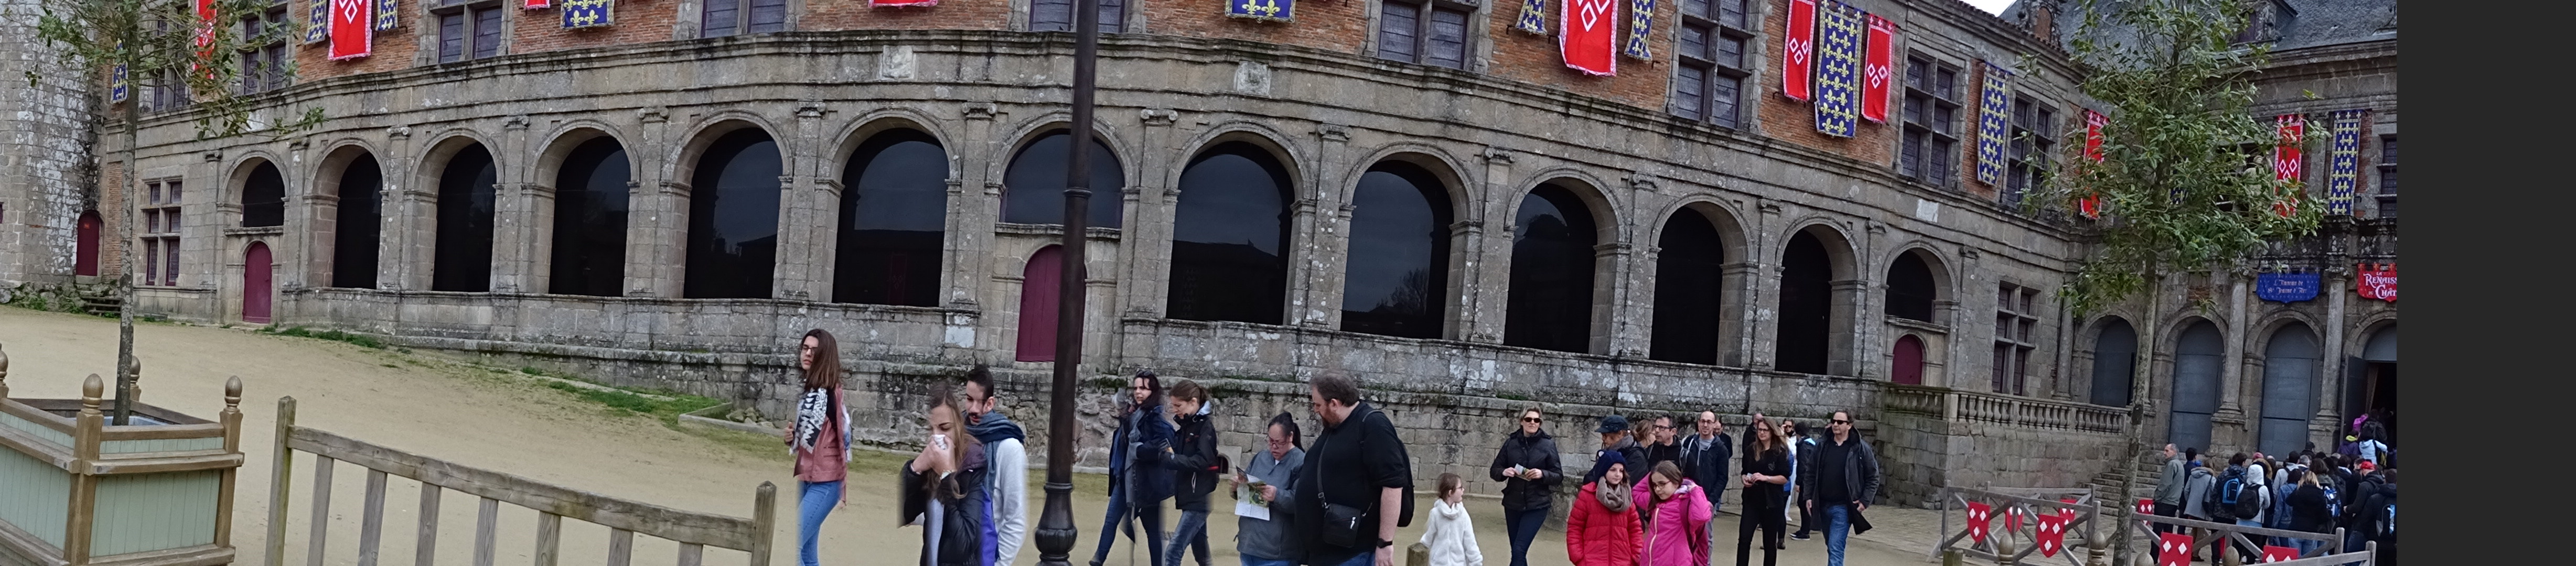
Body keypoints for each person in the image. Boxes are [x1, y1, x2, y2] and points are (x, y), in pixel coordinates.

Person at [1292, 374, 1414, 566]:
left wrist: (1385, 543)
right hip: (1326, 549)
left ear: (1334, 403)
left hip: (1352, 552)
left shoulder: (1373, 425)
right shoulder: (1334, 426)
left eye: (1318, 404)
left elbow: (1393, 485)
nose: (1315, 410)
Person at [900, 384, 995, 566]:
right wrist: (915, 468)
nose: (937, 437)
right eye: (932, 429)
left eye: (944, 428)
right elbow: (907, 515)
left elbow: (962, 546)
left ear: (958, 425)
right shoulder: (930, 464)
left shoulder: (973, 464)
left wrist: (947, 476)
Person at [1091, 372, 1175, 566]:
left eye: (1144, 388)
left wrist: (1141, 450)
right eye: (1136, 388)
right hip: (1124, 480)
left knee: (1152, 532)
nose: (1138, 392)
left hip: (1147, 485)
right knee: (1110, 522)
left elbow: (1166, 442)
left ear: (1153, 392)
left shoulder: (1154, 418)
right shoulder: (1132, 415)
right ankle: (1097, 561)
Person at [785, 330, 852, 566]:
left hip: (827, 482)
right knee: (807, 556)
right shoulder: (810, 393)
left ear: (825, 356)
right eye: (805, 348)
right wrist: (791, 438)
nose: (807, 354)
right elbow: (809, 438)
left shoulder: (832, 395)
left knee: (792, 547)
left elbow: (845, 442)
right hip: (807, 477)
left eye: (814, 350)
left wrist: (843, 489)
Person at [961, 365, 1029, 566]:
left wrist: (998, 564)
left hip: (985, 556)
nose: (973, 409)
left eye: (980, 402)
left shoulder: (1009, 448)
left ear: (990, 403)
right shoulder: (957, 436)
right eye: (969, 399)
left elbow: (1016, 519)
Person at [1800, 411, 1880, 566]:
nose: (1835, 425)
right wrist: (1808, 496)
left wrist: (1865, 501)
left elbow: (1873, 476)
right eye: (1834, 421)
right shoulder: (1822, 445)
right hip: (1822, 504)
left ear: (1849, 425)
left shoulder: (1859, 448)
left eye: (1840, 422)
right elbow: (1811, 472)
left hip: (1843, 507)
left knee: (1836, 547)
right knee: (1831, 545)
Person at [1162, 379, 1226, 566]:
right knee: (1201, 553)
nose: (1174, 410)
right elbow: (1182, 454)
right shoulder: (1186, 425)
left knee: (1173, 553)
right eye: (1173, 405)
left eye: (1178, 406)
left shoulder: (1205, 427)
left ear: (1193, 402)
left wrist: (1172, 460)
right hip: (1190, 495)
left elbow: (1204, 461)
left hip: (1198, 499)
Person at [1488, 407, 1563, 566]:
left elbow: (1558, 476)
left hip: (1537, 505)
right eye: (1529, 419)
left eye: (1537, 420)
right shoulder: (1511, 443)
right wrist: (1504, 472)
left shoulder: (1548, 445)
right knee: (1517, 551)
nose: (1532, 423)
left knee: (1519, 550)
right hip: (1513, 503)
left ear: (1540, 423)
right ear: (1522, 421)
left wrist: (1542, 474)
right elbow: (1495, 470)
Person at [1236, 413, 1306, 566]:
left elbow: (1303, 503)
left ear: (1290, 437)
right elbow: (1246, 495)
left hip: (1277, 553)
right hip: (1249, 544)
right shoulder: (1261, 457)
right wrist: (1238, 488)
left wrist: (1277, 495)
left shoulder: (1301, 462)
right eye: (1270, 441)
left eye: (1279, 442)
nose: (1273, 447)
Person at [1566, 453, 1644, 566]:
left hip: (1623, 562)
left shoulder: (1627, 498)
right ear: (1603, 470)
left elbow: (1635, 530)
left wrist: (1636, 557)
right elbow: (1575, 528)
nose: (1618, 474)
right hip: (1592, 562)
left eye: (1621, 471)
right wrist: (1578, 558)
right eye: (1613, 470)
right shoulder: (1587, 495)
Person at [1734, 417, 1790, 566]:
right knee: (1744, 539)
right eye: (1760, 430)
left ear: (1772, 432)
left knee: (1770, 542)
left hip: (1771, 502)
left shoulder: (1780, 452)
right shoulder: (1751, 450)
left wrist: (1766, 478)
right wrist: (1745, 479)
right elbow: (1745, 471)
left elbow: (1784, 478)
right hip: (1752, 501)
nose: (1762, 433)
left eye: (1765, 430)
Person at [1641, 461, 1713, 566]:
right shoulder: (1656, 503)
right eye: (1655, 485)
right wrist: (1655, 471)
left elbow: (1702, 517)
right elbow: (1637, 492)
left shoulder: (1685, 504)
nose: (1657, 489)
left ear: (1675, 482)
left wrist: (1696, 490)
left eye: (1662, 484)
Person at [1420, 473, 1484, 566]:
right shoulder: (1435, 514)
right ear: (1450, 493)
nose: (1463, 490)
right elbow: (1427, 539)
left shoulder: (1463, 515)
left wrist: (1476, 563)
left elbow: (1470, 542)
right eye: (1460, 488)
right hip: (1437, 564)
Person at [2283, 469, 2333, 558]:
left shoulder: (2298, 492)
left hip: (2296, 528)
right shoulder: (2320, 494)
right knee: (2308, 559)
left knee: (2295, 559)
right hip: (2311, 530)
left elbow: (2288, 501)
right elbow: (2324, 516)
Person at [1585, 415, 1648, 485]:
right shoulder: (1608, 452)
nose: (1603, 439)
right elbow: (1589, 477)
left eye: (1606, 435)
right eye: (1603, 435)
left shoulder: (1636, 457)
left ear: (1620, 433)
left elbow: (1624, 484)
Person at [1784, 420, 1814, 541]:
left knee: (1803, 503)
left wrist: (1798, 482)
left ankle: (1805, 532)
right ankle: (1804, 529)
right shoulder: (1812, 443)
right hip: (1811, 479)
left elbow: (1803, 466)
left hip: (1806, 480)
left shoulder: (1803, 446)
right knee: (1804, 503)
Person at [2152, 444, 2187, 535]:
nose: (2164, 453)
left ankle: (2156, 546)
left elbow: (2165, 484)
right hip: (2174, 502)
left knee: (2157, 531)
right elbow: (2182, 486)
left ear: (2174, 452)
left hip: (2165, 502)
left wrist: (2157, 497)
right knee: (2168, 531)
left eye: (2167, 451)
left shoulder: (2172, 464)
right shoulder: (2180, 465)